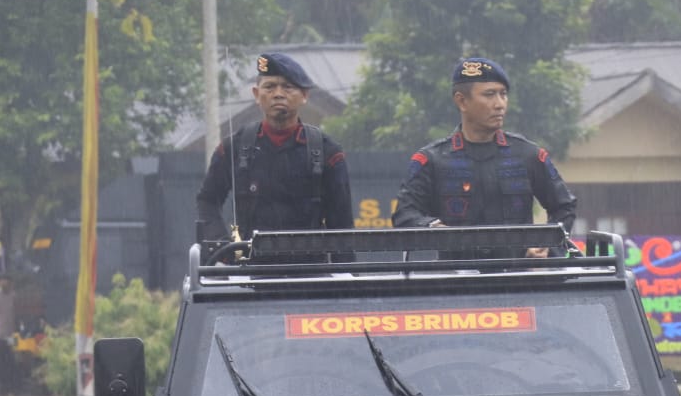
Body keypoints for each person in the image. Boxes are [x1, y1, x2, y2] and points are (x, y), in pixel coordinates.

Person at [391, 56, 576, 257]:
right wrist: (434, 228)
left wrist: (546, 244)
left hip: (519, 280)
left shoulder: (528, 155)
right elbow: (404, 215)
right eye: (489, 95)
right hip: (456, 281)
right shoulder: (431, 160)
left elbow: (564, 206)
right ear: (462, 101)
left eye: (503, 94)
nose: (499, 104)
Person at [196, 52, 353, 243]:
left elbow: (342, 227)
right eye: (269, 87)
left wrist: (343, 271)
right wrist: (222, 246)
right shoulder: (233, 148)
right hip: (249, 267)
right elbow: (208, 200)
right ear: (256, 94)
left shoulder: (328, 153)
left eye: (287, 87)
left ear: (304, 95)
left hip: (311, 268)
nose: (278, 94)